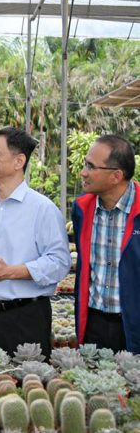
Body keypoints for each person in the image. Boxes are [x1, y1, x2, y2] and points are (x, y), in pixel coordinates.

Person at [0, 127, 71, 358]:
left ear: (19, 161)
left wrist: (10, 272)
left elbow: (59, 262)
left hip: (27, 316)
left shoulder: (43, 209)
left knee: (27, 378)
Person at [72, 135, 139, 354]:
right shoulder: (82, 209)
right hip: (94, 324)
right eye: (85, 164)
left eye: (91, 167)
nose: (83, 173)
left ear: (116, 176)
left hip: (133, 325)